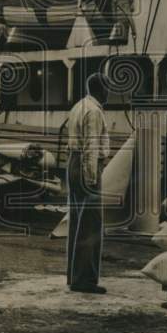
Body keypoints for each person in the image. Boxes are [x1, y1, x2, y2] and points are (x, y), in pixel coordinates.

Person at [65, 73, 111, 294]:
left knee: (77, 223)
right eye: (108, 88)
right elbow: (91, 147)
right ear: (101, 90)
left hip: (72, 163)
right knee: (91, 225)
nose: (109, 93)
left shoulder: (79, 106)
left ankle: (72, 276)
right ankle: (84, 279)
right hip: (86, 167)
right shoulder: (94, 111)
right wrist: (92, 178)